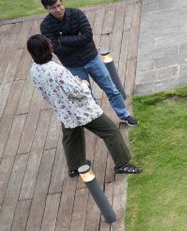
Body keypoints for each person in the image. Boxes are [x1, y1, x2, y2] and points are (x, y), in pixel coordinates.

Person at [25, 35, 142, 178]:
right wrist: (83, 83)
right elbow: (77, 91)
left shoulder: (34, 70)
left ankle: (75, 167)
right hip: (82, 110)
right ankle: (123, 164)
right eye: (49, 44)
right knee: (111, 131)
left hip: (64, 111)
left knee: (71, 136)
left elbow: (45, 93)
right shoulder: (56, 70)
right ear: (46, 48)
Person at [39, 0, 136, 126]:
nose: (58, 9)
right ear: (46, 9)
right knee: (86, 96)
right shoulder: (45, 26)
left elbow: (87, 37)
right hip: (73, 65)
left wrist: (62, 40)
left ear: (62, 2)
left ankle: (124, 115)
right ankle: (102, 122)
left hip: (92, 58)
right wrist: (76, 40)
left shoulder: (76, 14)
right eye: (53, 8)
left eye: (59, 5)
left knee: (111, 89)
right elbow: (56, 48)